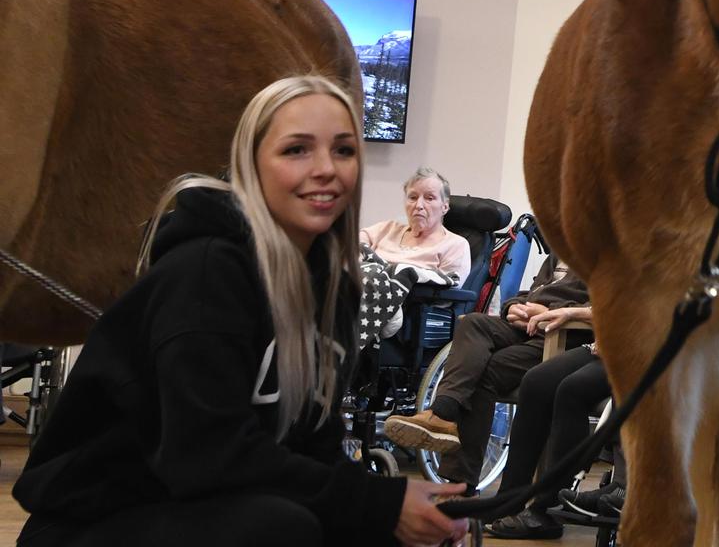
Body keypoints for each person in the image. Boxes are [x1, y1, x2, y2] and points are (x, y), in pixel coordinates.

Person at [13, 75, 468, 547]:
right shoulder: (207, 271)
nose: (326, 169)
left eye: (343, 150)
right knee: (281, 527)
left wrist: (397, 511)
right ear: (251, 165)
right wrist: (378, 501)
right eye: (296, 150)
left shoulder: (335, 289)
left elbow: (316, 453)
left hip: (209, 502)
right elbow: (205, 458)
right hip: (95, 516)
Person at [384, 249, 590, 486]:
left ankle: (460, 485)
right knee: (473, 323)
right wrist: (513, 307)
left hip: (562, 335)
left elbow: (601, 306)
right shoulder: (558, 250)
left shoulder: (608, 253)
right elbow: (534, 292)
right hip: (527, 325)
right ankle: (443, 412)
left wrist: (549, 312)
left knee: (484, 371)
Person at [479, 307, 606, 540]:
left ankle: (548, 510)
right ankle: (508, 500)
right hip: (609, 341)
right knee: (536, 381)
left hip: (650, 347)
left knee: (572, 390)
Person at [354, 168, 473, 349]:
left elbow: (449, 293)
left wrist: (394, 279)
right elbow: (353, 243)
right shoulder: (389, 228)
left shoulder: (455, 244)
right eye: (412, 197)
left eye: (429, 198)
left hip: (410, 316)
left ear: (445, 206)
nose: (419, 205)